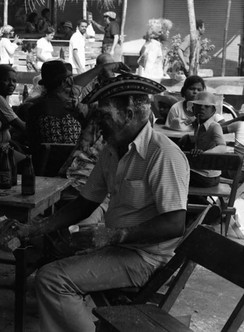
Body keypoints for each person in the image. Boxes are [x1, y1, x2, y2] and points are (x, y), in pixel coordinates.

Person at [17, 73, 189, 332]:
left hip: (146, 257)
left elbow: (175, 223)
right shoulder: (112, 149)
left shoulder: (163, 154)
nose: (98, 124)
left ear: (129, 115)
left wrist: (115, 235)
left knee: (52, 280)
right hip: (121, 249)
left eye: (104, 116)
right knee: (45, 267)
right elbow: (86, 202)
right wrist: (39, 227)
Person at [25, 60, 80, 167]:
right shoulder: (76, 107)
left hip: (45, 167)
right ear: (65, 82)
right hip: (75, 166)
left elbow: (32, 141)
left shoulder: (35, 109)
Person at [178, 91, 227, 188]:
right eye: (198, 106)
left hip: (207, 176)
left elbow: (222, 147)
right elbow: (202, 138)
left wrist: (204, 153)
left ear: (213, 110)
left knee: (174, 173)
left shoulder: (214, 126)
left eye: (207, 106)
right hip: (201, 172)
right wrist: (189, 137)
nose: (202, 109)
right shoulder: (199, 124)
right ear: (193, 109)